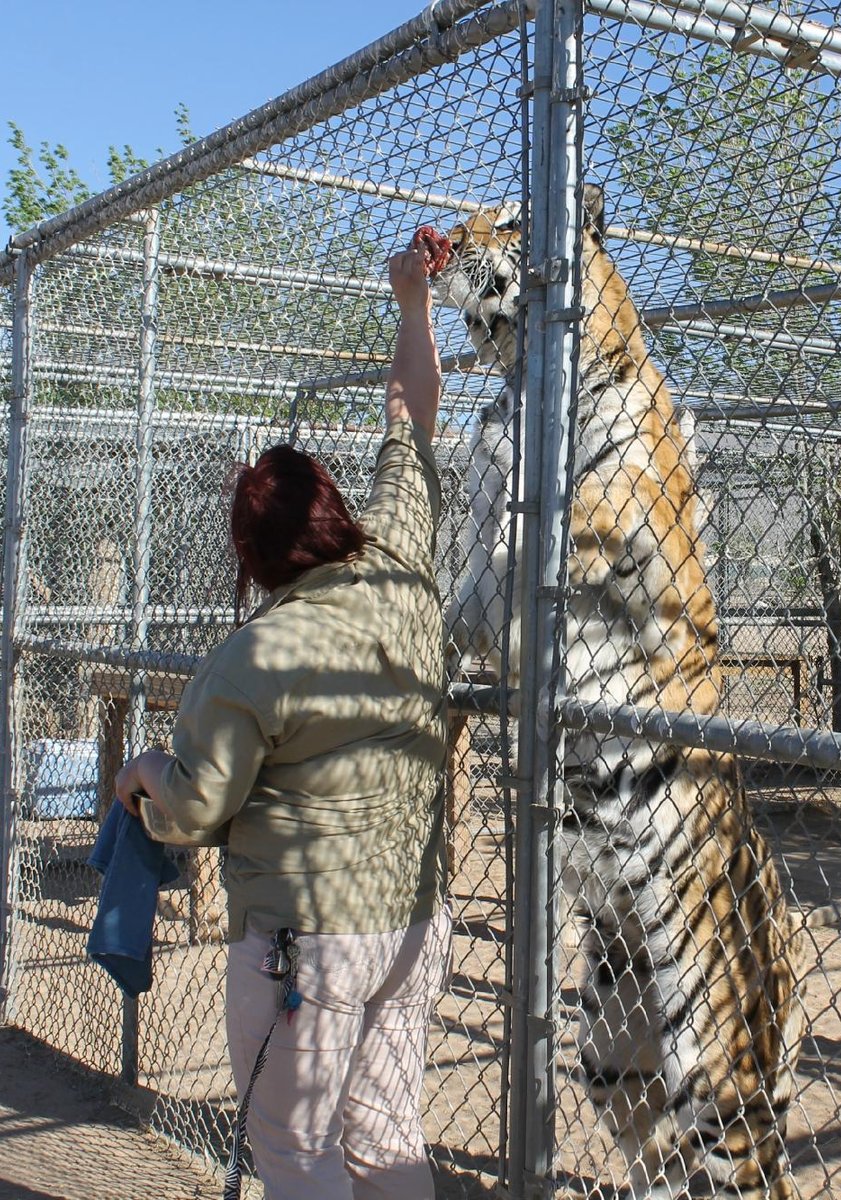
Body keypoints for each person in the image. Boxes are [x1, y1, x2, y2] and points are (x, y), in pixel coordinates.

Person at [115, 240, 451, 1200]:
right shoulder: (399, 560)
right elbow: (408, 413)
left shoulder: (252, 654)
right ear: (336, 510)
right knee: (386, 1136)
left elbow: (193, 810)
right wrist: (412, 300)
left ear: (255, 559)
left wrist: (145, 775)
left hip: (304, 934)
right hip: (413, 918)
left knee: (295, 1152)